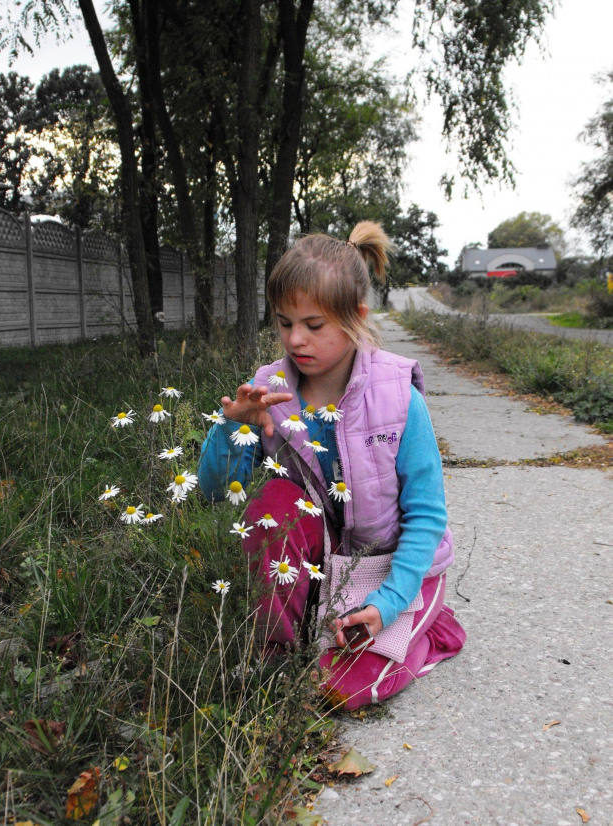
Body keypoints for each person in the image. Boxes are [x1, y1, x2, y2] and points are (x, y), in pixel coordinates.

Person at [198, 221, 466, 711]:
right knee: (274, 500)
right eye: (283, 322)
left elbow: (427, 518)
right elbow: (217, 491)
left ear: (355, 318)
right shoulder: (270, 390)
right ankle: (276, 651)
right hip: (325, 559)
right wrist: (230, 428)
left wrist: (388, 605)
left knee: (344, 690)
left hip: (398, 566)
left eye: (314, 325)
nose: (295, 339)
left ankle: (432, 628)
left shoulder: (399, 398)